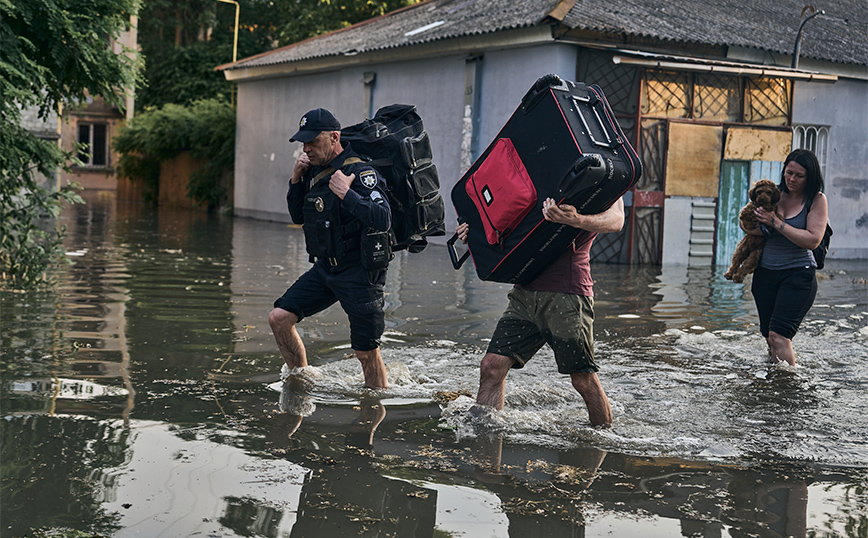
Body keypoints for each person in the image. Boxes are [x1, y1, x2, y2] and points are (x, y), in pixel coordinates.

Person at [457, 196, 625, 426]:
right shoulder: (532, 163)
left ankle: (603, 441)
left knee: (583, 380)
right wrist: (476, 233)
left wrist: (576, 219)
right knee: (492, 367)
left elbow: (616, 220)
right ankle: (485, 447)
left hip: (567, 292)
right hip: (525, 289)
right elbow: (505, 215)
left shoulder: (602, 168)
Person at [269, 108, 391, 388]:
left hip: (360, 272)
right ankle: (300, 382)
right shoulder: (314, 171)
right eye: (303, 143)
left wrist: (347, 194)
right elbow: (299, 217)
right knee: (279, 318)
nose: (307, 148)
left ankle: (373, 410)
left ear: (334, 137)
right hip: (326, 268)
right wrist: (296, 178)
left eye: (313, 142)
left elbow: (383, 219)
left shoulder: (361, 172)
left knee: (365, 352)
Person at [742, 148, 828, 366]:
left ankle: (788, 389)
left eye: (799, 175)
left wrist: (776, 224)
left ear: (810, 177)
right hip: (766, 273)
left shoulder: (816, 200)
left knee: (780, 336)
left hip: (798, 275)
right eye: (789, 173)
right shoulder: (773, 194)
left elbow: (812, 240)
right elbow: (747, 225)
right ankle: (770, 391)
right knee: (769, 338)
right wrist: (750, 223)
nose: (792, 179)